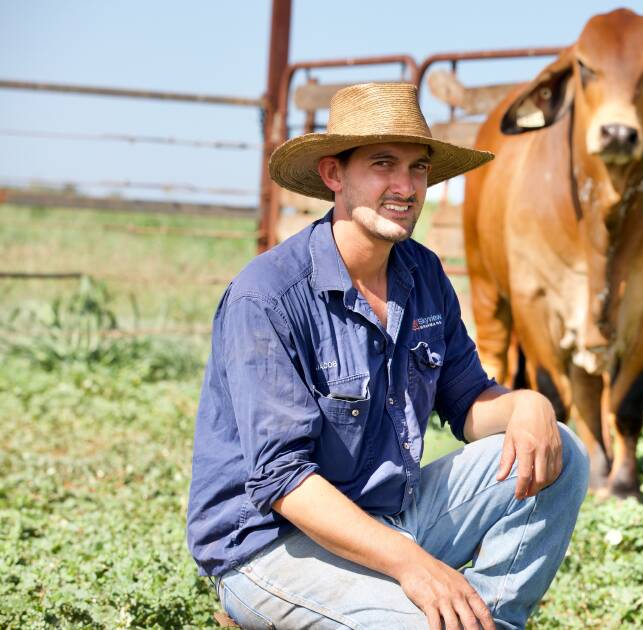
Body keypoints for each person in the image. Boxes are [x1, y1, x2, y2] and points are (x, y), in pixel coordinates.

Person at [186, 82, 588, 630]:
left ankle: (491, 620)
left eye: (418, 168)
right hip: (271, 546)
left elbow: (469, 403)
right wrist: (413, 565)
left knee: (562, 453)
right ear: (334, 175)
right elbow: (283, 482)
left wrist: (527, 404)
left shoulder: (421, 273)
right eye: (383, 164)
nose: (405, 186)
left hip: (389, 516)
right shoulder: (268, 295)